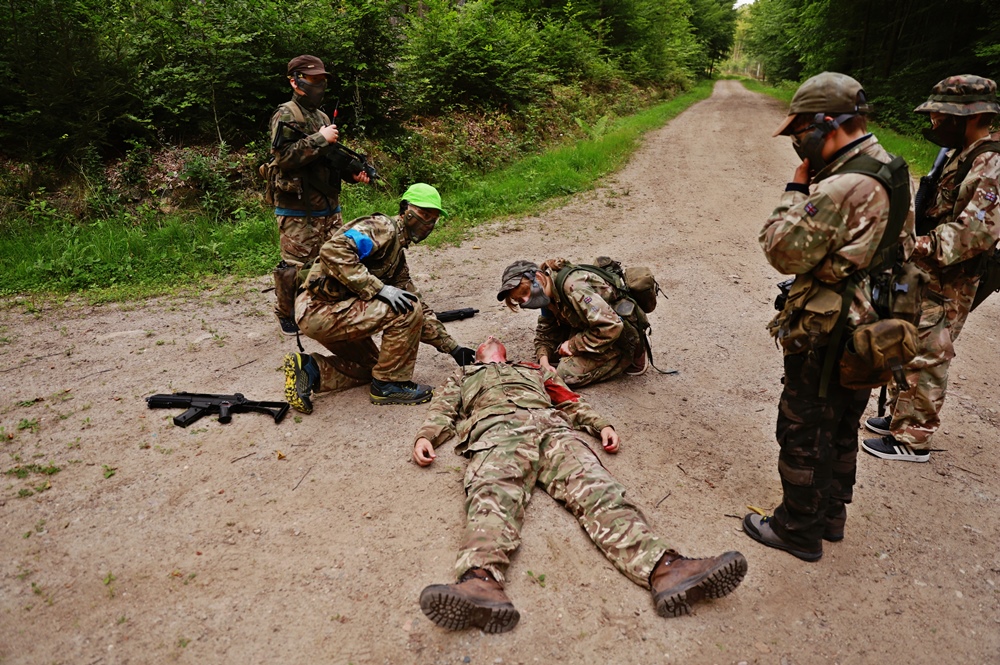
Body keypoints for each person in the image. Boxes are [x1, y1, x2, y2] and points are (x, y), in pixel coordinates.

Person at [412, 336, 747, 633]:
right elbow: (443, 409)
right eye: (485, 340)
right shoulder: (463, 375)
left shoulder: (535, 370)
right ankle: (480, 583)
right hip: (498, 431)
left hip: (553, 430)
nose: (490, 337)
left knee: (598, 488)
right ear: (478, 356)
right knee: (492, 495)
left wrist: (600, 425)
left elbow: (569, 399)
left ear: (505, 353)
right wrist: (427, 436)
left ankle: (666, 569)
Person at [743, 72, 915, 561]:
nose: (798, 144)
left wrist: (795, 189)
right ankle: (831, 516)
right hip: (873, 322)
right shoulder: (889, 166)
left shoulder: (844, 185)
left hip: (832, 328)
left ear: (827, 123)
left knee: (803, 425)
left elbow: (781, 249)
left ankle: (798, 529)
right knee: (841, 423)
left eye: (800, 132)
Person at [862, 75, 1000, 463]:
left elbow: (975, 233)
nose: (935, 121)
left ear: (972, 116)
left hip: (953, 275)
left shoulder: (991, 163)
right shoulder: (963, 153)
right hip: (932, 269)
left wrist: (914, 245)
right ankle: (900, 416)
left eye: (944, 115)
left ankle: (913, 437)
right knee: (911, 338)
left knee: (929, 350)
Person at [281, 183, 476, 411]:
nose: (427, 223)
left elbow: (419, 308)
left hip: (334, 311)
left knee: (375, 366)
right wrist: (378, 288)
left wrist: (453, 348)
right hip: (319, 309)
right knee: (407, 308)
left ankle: (310, 369)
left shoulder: (396, 258)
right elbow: (333, 250)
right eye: (423, 214)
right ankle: (389, 385)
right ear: (405, 209)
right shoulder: (382, 228)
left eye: (433, 219)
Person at [269, 54, 371, 336]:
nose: (318, 85)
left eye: (321, 80)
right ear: (295, 81)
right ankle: (286, 313)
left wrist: (351, 174)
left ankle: (321, 305)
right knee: (294, 267)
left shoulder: (322, 116)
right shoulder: (286, 113)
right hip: (297, 207)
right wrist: (320, 138)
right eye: (312, 79)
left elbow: (329, 159)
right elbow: (283, 158)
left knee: (333, 258)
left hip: (328, 204)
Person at [496, 258, 646, 387]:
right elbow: (546, 331)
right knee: (551, 357)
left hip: (618, 334)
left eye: (525, 292)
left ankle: (632, 353)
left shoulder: (574, 287)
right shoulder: (546, 294)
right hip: (590, 327)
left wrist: (573, 345)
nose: (525, 300)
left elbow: (611, 325)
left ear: (539, 278)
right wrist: (544, 361)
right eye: (519, 300)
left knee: (564, 375)